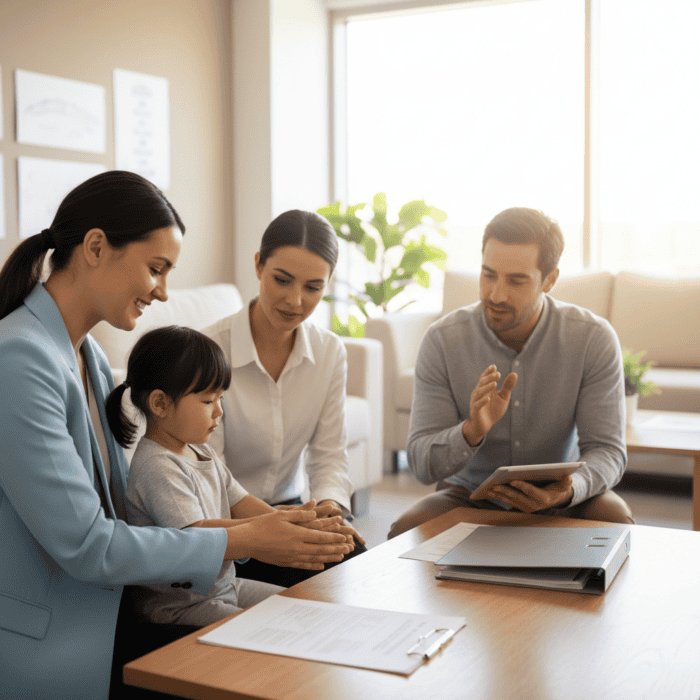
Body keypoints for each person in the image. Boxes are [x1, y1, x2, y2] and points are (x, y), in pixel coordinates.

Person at [0, 171, 350, 700]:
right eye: (156, 269)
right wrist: (249, 537)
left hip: (120, 604)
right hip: (62, 636)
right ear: (96, 246)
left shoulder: (88, 356)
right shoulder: (20, 358)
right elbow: (88, 544)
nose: (163, 291)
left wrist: (279, 522)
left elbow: (124, 503)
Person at [389, 207, 634, 537]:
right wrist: (471, 430)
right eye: (488, 275)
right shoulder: (443, 339)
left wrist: (570, 488)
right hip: (471, 494)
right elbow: (420, 462)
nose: (496, 294)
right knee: (406, 529)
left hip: (560, 494)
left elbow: (608, 450)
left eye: (517, 281)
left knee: (614, 518)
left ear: (549, 279)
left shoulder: (593, 338)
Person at [107, 325, 357, 626]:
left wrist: (300, 528)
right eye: (207, 401)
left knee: (299, 610)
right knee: (270, 629)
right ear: (160, 404)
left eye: (221, 399)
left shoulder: (201, 451)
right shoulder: (157, 466)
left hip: (225, 588)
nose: (219, 412)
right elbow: (196, 534)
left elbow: (242, 501)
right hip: (180, 607)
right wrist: (269, 530)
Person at [205, 209, 367, 587]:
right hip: (227, 522)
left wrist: (328, 510)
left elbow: (329, 456)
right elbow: (208, 471)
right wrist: (271, 528)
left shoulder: (329, 353)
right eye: (282, 280)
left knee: (353, 559)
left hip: (293, 512)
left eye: (313, 287)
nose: (295, 301)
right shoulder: (209, 349)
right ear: (258, 265)